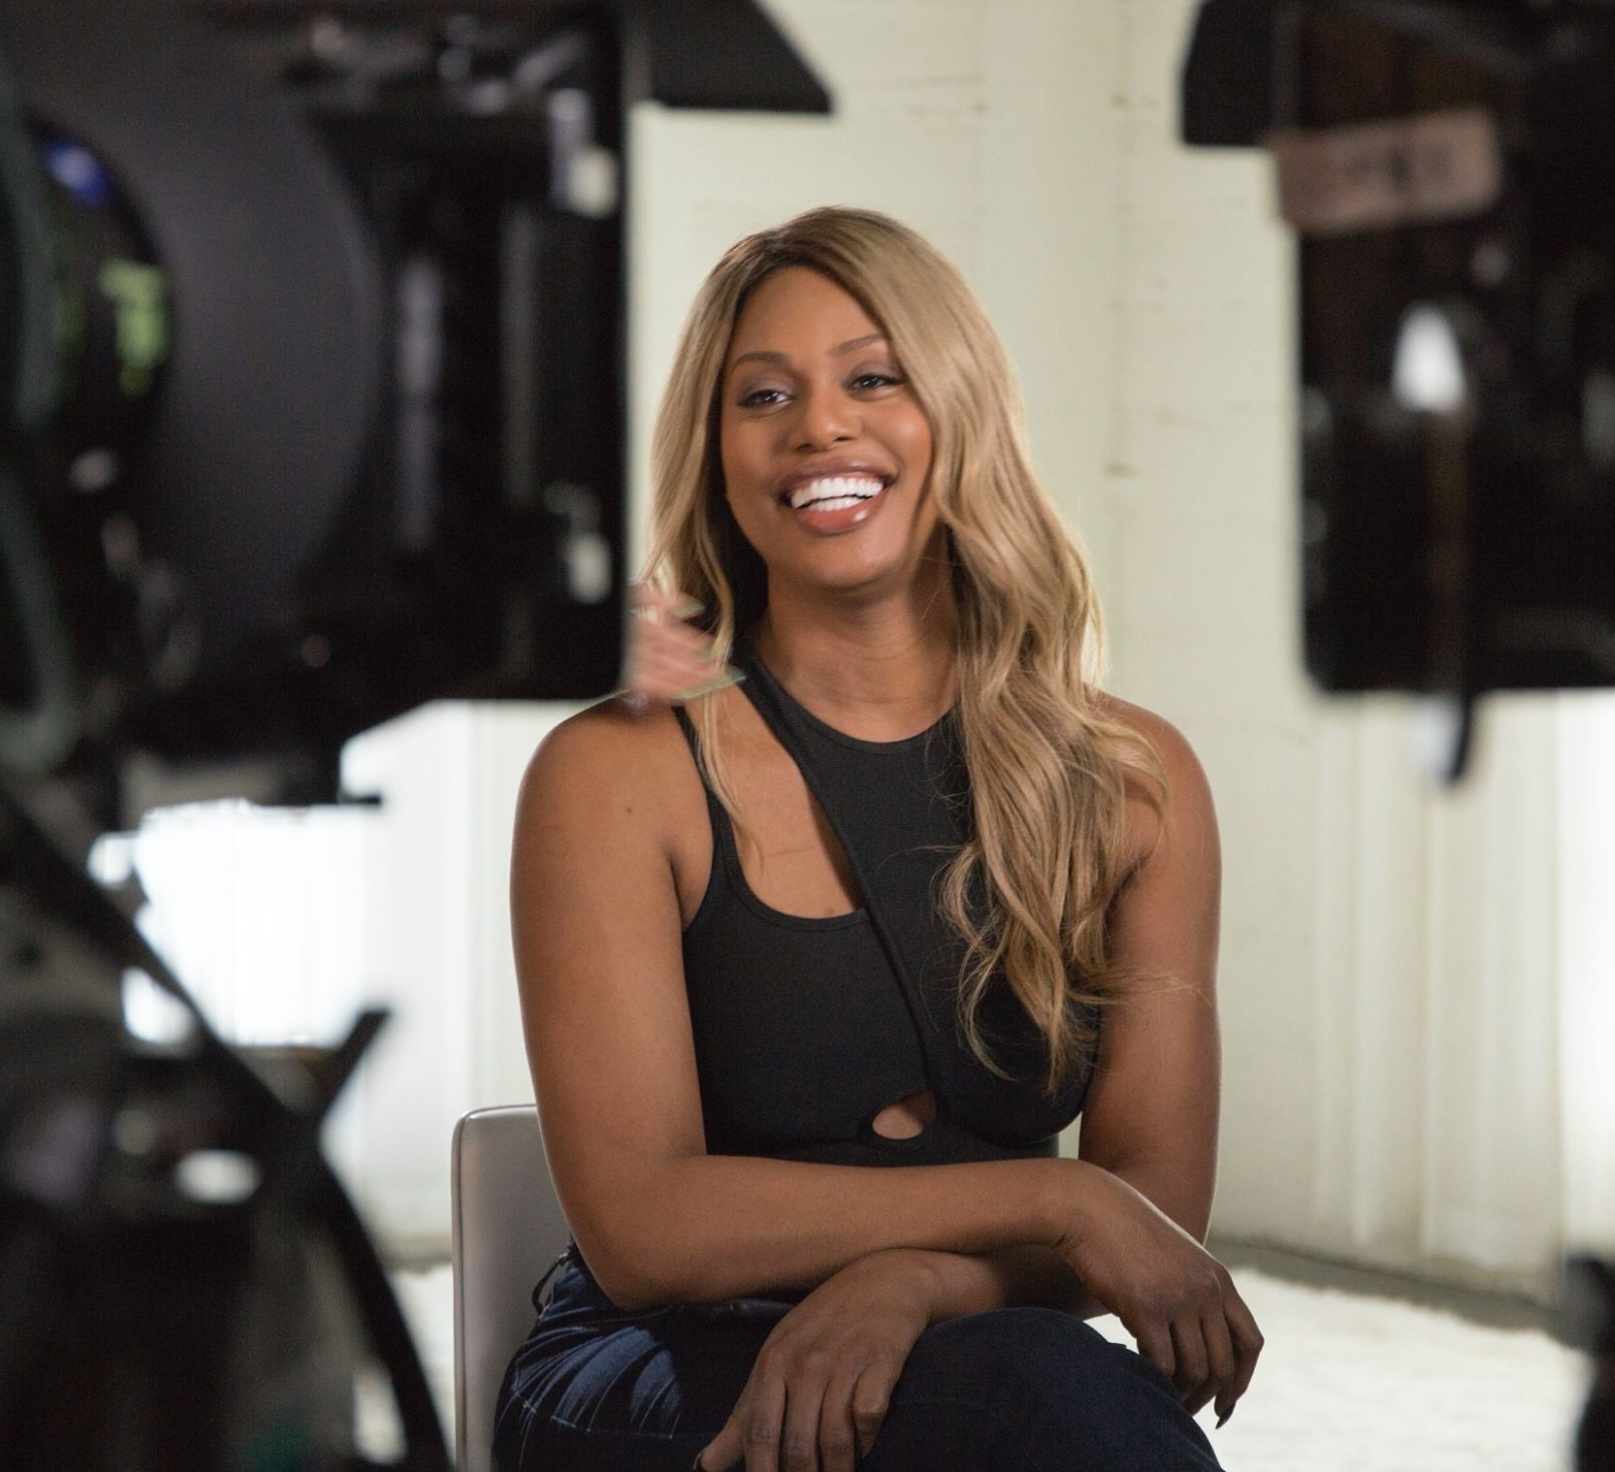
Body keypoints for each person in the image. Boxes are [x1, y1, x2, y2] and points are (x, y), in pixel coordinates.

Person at [497, 207, 1259, 1472]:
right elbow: (642, 1227)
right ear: (716, 448)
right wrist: (1052, 1196)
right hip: (650, 1364)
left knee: (1027, 1389)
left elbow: (1155, 1212)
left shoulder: (1135, 782)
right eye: (761, 394)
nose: (818, 427)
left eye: (873, 377)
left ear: (956, 410)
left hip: (980, 1341)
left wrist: (912, 1286)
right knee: (1037, 1403)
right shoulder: (616, 772)